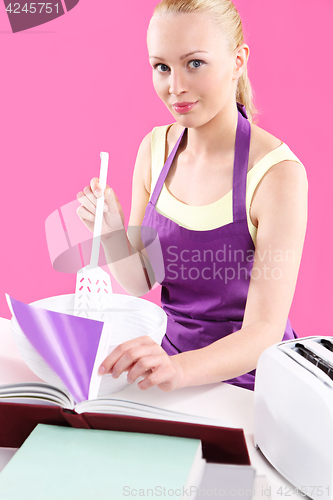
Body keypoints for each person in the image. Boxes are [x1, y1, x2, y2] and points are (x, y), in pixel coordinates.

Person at [76, 0, 308, 392]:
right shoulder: (154, 149)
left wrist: (181, 369)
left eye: (194, 64)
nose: (175, 87)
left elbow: (265, 331)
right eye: (162, 67)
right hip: (167, 368)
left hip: (252, 386)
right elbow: (141, 281)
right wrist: (113, 231)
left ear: (237, 61)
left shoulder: (278, 175)